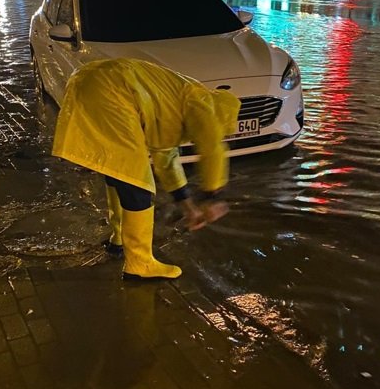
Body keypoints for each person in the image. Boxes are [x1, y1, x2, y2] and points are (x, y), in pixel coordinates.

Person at [52, 58, 241, 280]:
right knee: (137, 181)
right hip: (111, 90)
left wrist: (189, 207)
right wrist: (212, 195)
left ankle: (118, 239)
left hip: (89, 80)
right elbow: (212, 149)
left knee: (118, 170)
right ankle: (140, 263)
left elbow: (166, 159)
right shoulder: (203, 102)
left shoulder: (176, 103)